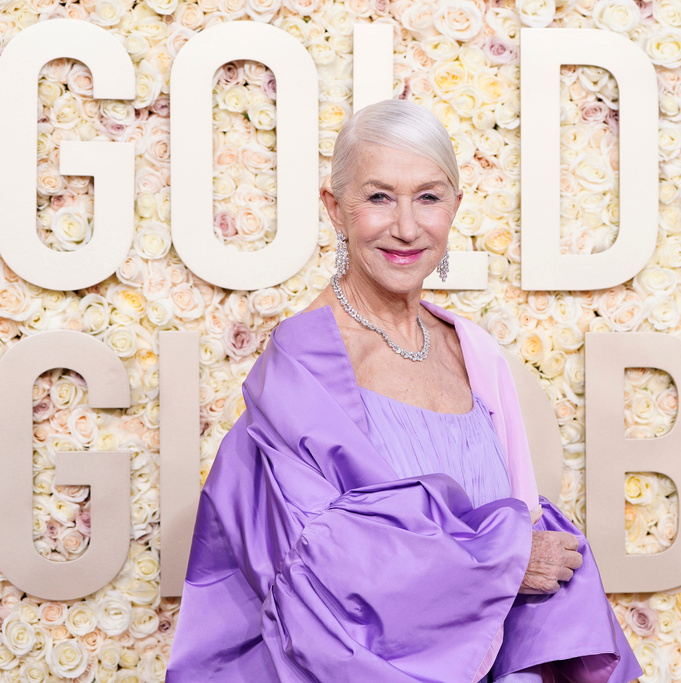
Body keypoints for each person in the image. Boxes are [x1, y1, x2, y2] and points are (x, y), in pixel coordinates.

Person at [167, 100, 642, 683]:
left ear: (456, 207)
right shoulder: (301, 365)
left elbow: (524, 524)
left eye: (429, 197)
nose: (407, 227)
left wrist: (524, 560)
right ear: (334, 210)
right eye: (378, 197)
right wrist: (500, 564)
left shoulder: (475, 352)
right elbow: (320, 566)